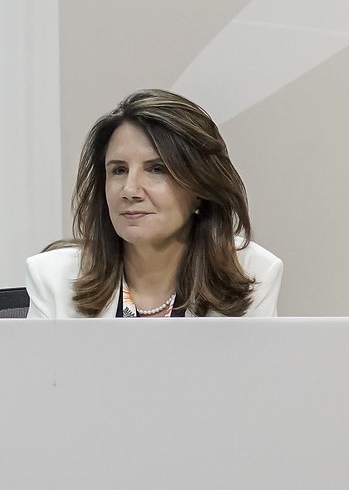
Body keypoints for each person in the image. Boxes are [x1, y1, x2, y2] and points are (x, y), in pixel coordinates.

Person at [25, 89, 281, 318]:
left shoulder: (253, 272)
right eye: (119, 170)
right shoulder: (53, 278)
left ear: (200, 187)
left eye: (156, 169)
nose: (130, 190)